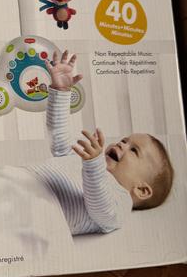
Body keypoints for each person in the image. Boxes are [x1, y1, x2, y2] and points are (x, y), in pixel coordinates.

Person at [29, 50, 174, 234]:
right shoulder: (80, 160)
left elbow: (102, 209)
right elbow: (58, 134)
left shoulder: (120, 201)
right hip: (15, 181)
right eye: (124, 140)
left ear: (141, 190)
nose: (122, 144)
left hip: (29, 213)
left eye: (134, 150)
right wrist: (61, 92)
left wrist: (93, 165)